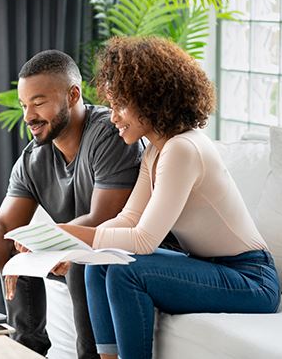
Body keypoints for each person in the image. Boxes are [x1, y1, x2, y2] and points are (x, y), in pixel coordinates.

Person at [56, 37, 281, 359]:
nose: (113, 116)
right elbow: (129, 220)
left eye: (120, 104)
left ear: (151, 99)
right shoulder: (156, 151)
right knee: (101, 264)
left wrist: (73, 235)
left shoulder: (183, 149)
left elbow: (145, 240)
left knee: (125, 271)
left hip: (251, 280)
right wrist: (79, 244)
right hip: (212, 267)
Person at [0, 49, 143, 358]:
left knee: (79, 263)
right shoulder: (34, 158)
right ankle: (27, 350)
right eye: (24, 105)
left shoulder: (108, 134)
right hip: (73, 249)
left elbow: (106, 218)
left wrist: (45, 244)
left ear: (72, 95)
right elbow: (5, 224)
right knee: (15, 252)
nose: (28, 117)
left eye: (38, 102)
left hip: (127, 251)